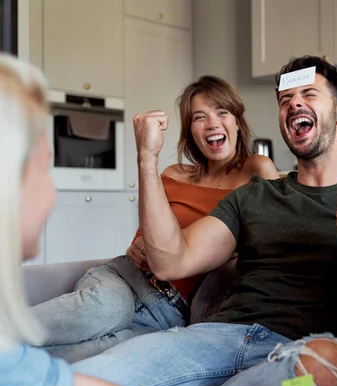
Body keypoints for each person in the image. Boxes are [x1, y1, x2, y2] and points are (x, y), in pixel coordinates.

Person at [70, 55, 337, 386]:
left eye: (308, 95)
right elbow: (170, 261)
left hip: (292, 360)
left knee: (327, 372)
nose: (294, 103)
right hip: (213, 339)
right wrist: (147, 157)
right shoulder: (254, 196)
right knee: (80, 384)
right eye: (285, 100)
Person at [30, 75, 280, 363]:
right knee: (108, 308)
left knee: (97, 356)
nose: (212, 123)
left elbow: (268, 242)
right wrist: (139, 248)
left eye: (222, 112)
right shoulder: (174, 174)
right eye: (200, 117)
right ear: (191, 131)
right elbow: (141, 240)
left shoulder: (257, 169)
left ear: (237, 121)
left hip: (170, 314)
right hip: (128, 281)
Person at [0, 52, 155, 386]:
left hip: (160, 315)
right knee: (111, 308)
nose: (53, 190)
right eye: (43, 169)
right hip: (128, 281)